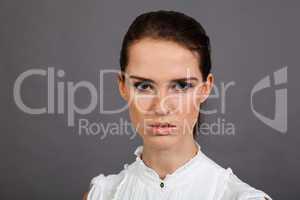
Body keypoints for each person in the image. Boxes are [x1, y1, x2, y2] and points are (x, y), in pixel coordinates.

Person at [84, 10, 272, 200]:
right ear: (123, 86)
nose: (161, 107)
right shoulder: (99, 195)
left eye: (181, 86)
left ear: (205, 89)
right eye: (144, 86)